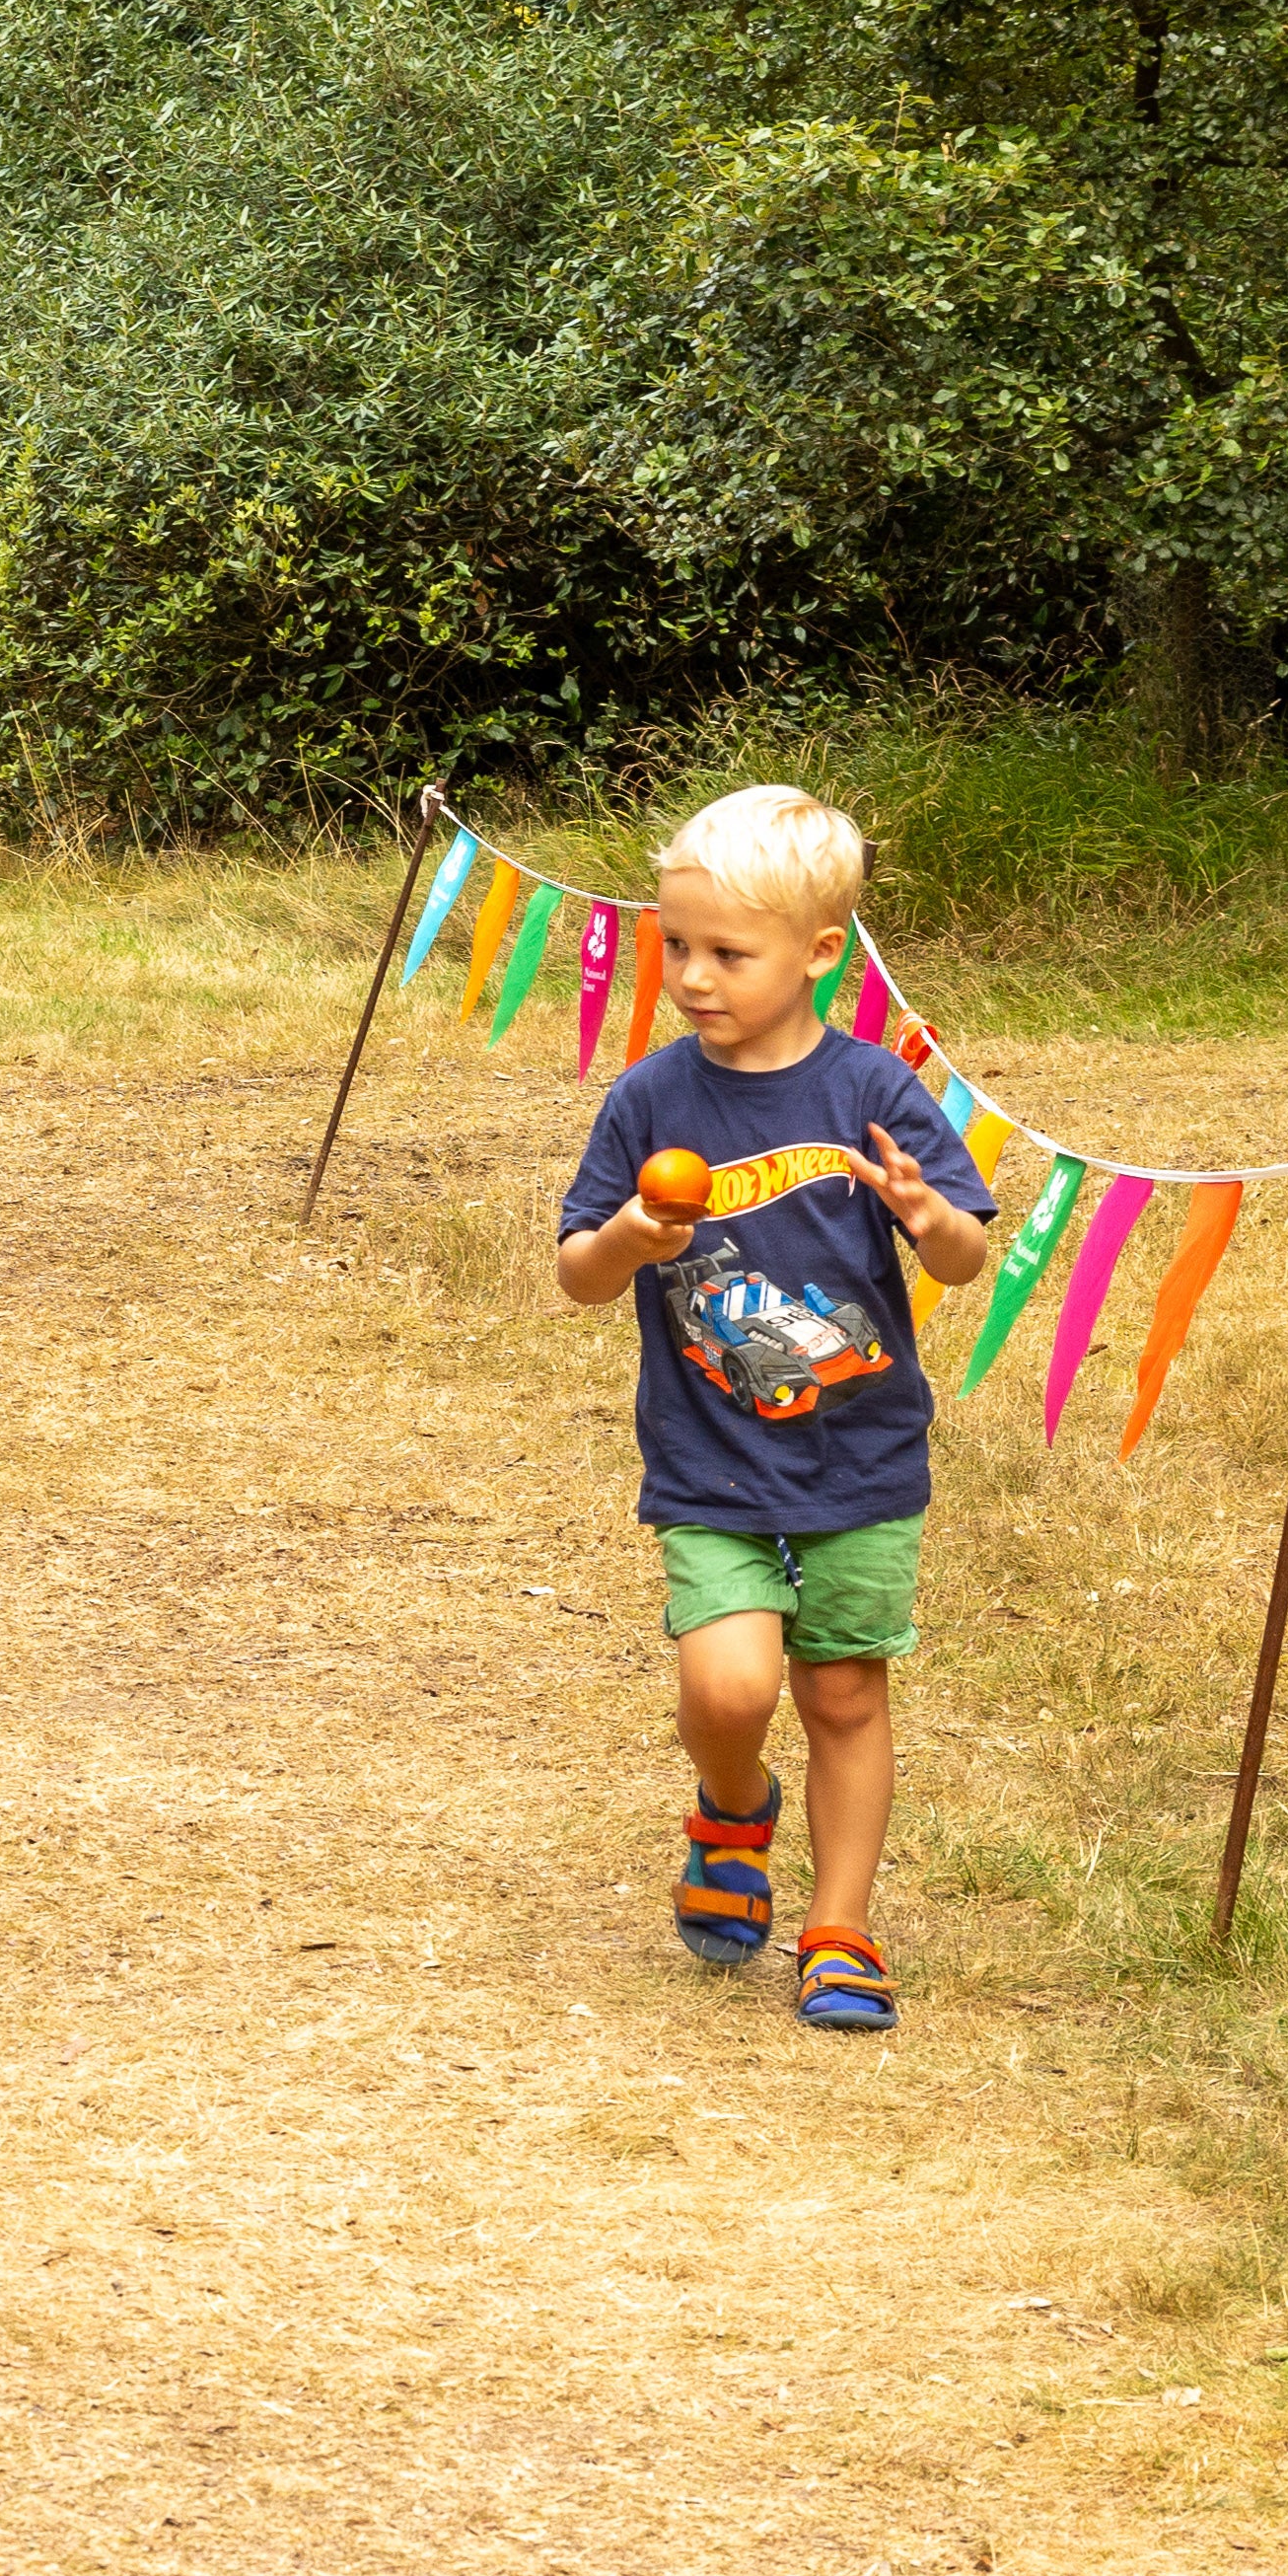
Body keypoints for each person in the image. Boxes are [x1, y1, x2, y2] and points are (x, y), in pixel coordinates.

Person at [553, 785, 995, 2032]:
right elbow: (578, 1276)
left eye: (727, 954)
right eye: (676, 945)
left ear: (816, 954)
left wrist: (929, 1216)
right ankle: (734, 1805)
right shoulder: (650, 1100)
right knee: (734, 1688)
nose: (694, 976)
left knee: (846, 1691)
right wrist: (634, 1236)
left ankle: (840, 1925)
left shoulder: (878, 1093)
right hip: (710, 1456)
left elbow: (964, 1262)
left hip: (860, 1456)